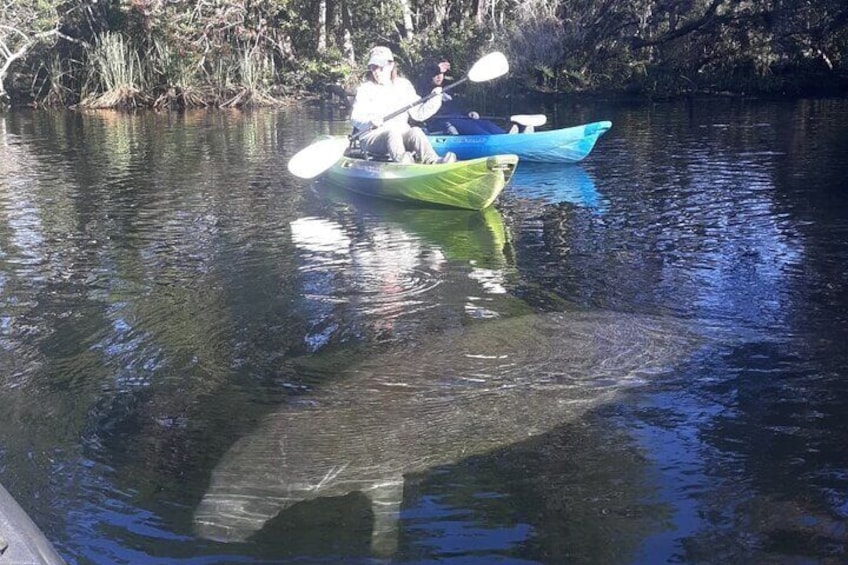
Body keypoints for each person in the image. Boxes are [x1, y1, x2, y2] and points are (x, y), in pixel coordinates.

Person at [350, 46, 455, 164]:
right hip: (372, 136)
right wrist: (369, 122)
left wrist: (434, 99)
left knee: (416, 131)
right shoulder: (365, 89)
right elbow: (355, 117)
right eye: (373, 67)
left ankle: (434, 161)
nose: (376, 72)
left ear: (390, 66)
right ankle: (403, 162)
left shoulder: (404, 85)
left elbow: (419, 114)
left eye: (380, 67)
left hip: (401, 133)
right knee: (392, 133)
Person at [414, 59, 506, 135]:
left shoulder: (447, 88)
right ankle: (492, 140)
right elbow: (426, 72)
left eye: (441, 74)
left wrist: (469, 112)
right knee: (474, 128)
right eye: (436, 74)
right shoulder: (424, 88)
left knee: (484, 123)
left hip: (459, 117)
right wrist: (437, 68)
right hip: (441, 120)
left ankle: (505, 135)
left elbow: (457, 105)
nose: (439, 77)